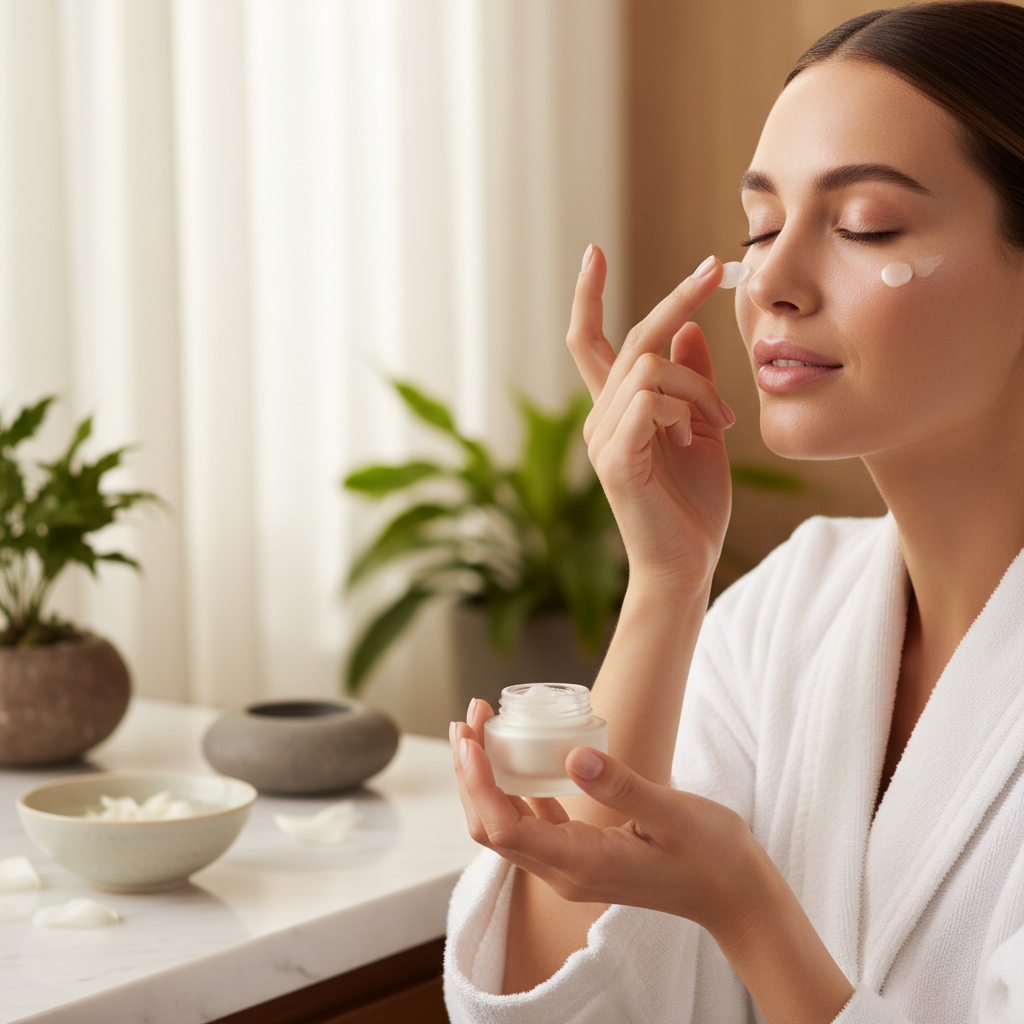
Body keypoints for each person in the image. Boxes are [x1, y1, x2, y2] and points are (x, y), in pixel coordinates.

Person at [444, 3, 1024, 1021]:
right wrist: (666, 582)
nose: (772, 284)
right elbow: (574, 1007)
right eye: (759, 228)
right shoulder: (786, 610)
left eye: (863, 227)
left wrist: (745, 908)